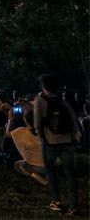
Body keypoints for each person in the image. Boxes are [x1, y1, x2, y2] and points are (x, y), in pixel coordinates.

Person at [35, 74, 82, 213]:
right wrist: (74, 137)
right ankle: (74, 207)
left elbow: (37, 123)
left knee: (51, 172)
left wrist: (41, 136)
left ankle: (57, 201)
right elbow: (74, 119)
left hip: (50, 142)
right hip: (67, 142)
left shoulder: (40, 100)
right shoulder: (63, 101)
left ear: (44, 86)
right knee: (70, 175)